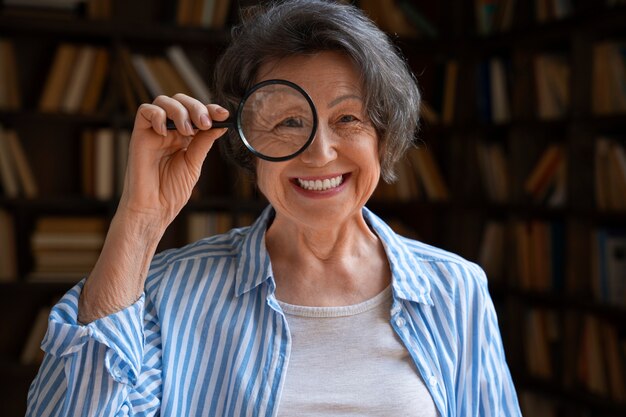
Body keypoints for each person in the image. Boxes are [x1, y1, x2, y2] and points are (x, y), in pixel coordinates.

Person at [26, 1, 522, 416]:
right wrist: (140, 218)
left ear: (383, 139)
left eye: (348, 118)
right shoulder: (164, 293)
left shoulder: (456, 289)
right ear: (248, 145)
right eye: (288, 122)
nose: (320, 152)